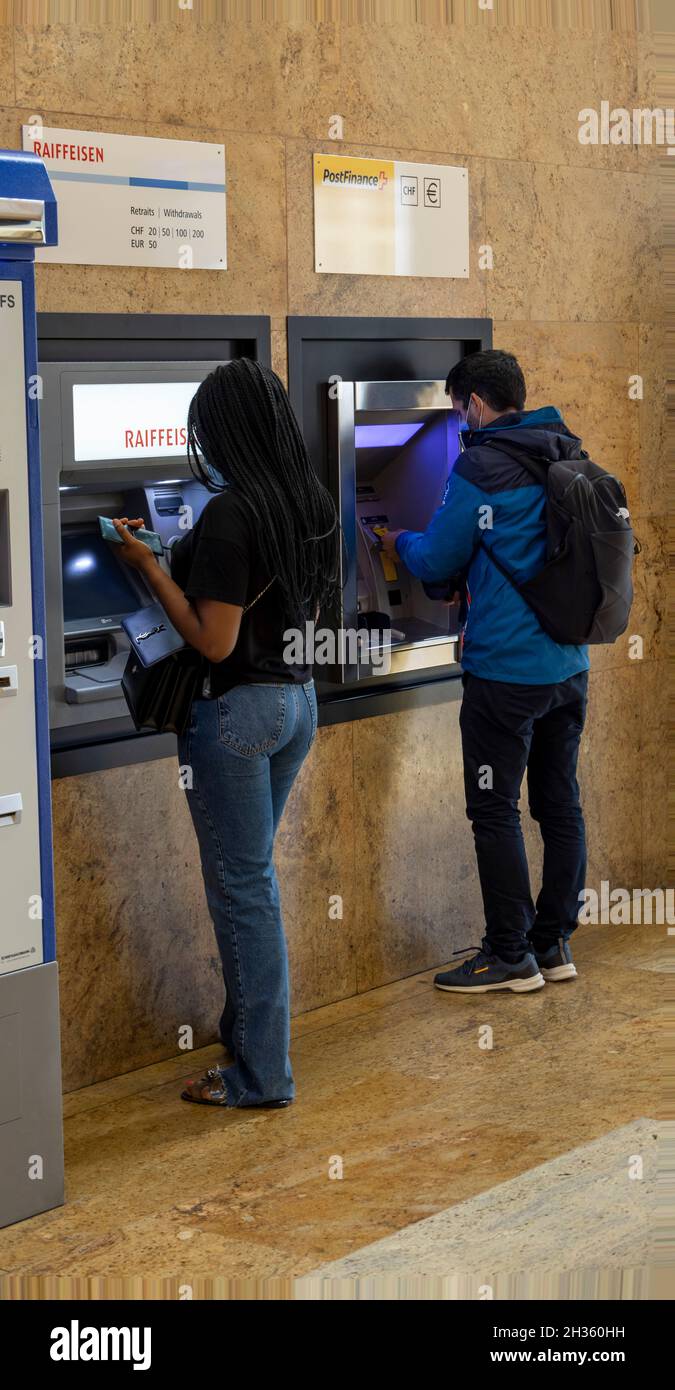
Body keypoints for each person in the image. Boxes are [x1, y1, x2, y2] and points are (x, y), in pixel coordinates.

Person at [111, 359, 340, 1106]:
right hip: (295, 705)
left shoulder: (231, 512)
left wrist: (150, 567)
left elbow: (212, 641)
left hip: (237, 714)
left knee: (242, 892)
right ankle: (244, 1033)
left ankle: (261, 1075)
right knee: (251, 883)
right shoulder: (307, 501)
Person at [381, 350, 589, 995]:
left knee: (493, 809)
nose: (458, 420)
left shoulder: (479, 463)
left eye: (455, 408)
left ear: (472, 403)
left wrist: (394, 542)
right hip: (568, 664)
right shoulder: (565, 450)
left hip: (505, 672)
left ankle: (508, 956)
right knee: (559, 802)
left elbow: (440, 552)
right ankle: (551, 945)